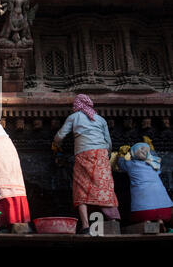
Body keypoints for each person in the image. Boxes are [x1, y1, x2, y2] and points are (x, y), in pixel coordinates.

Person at [53, 94, 120, 234]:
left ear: (77, 105)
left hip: (83, 155)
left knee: (81, 188)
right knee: (105, 186)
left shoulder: (74, 117)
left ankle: (85, 226)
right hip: (101, 154)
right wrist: (105, 157)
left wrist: (56, 144)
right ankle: (113, 222)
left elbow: (60, 136)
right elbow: (109, 143)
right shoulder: (100, 119)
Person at [118, 142, 172, 229]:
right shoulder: (154, 163)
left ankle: (148, 223)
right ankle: (160, 221)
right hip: (164, 207)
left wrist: (121, 154)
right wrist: (152, 149)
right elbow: (154, 156)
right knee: (159, 209)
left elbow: (121, 163)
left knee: (145, 215)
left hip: (144, 208)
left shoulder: (131, 164)